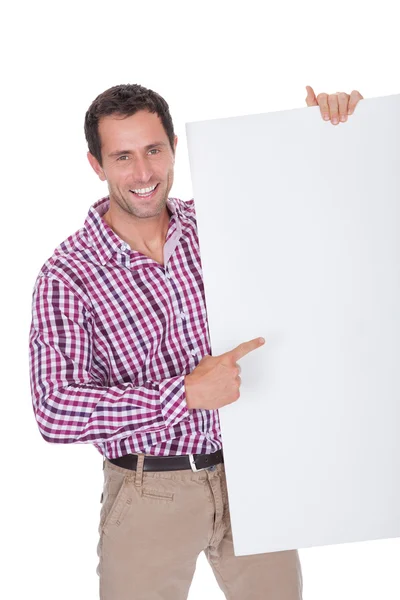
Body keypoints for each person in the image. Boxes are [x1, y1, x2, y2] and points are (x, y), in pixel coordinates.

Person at [29, 83, 363, 599]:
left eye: (153, 150)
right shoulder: (67, 274)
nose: (143, 173)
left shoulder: (220, 224)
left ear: (173, 149)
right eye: (122, 156)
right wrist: (183, 395)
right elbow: (54, 408)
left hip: (255, 474)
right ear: (96, 165)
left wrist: (325, 133)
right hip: (148, 492)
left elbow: (314, 221)